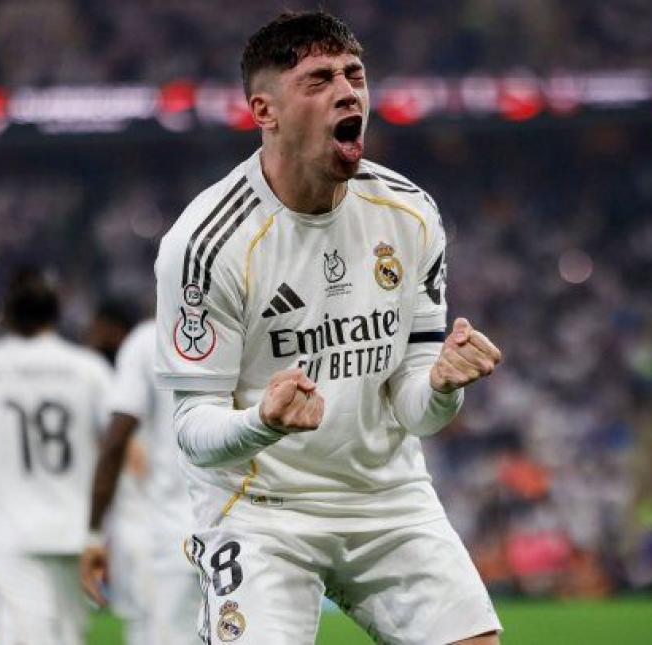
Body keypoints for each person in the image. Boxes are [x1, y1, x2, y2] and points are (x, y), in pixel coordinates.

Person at [154, 11, 503, 645]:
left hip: (387, 498)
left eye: (355, 75)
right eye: (319, 80)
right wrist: (263, 421)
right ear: (265, 111)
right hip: (261, 512)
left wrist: (442, 386)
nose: (348, 92)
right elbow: (191, 430)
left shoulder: (410, 213)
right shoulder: (207, 243)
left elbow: (415, 409)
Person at [0, 269, 112, 645]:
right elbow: (121, 448)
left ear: (7, 316)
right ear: (56, 313)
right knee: (68, 637)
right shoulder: (89, 368)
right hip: (74, 530)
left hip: (11, 534)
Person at [80, 319, 201, 645]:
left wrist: (94, 534)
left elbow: (116, 442)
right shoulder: (245, 324)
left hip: (167, 529)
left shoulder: (146, 342)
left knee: (154, 631)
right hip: (238, 525)